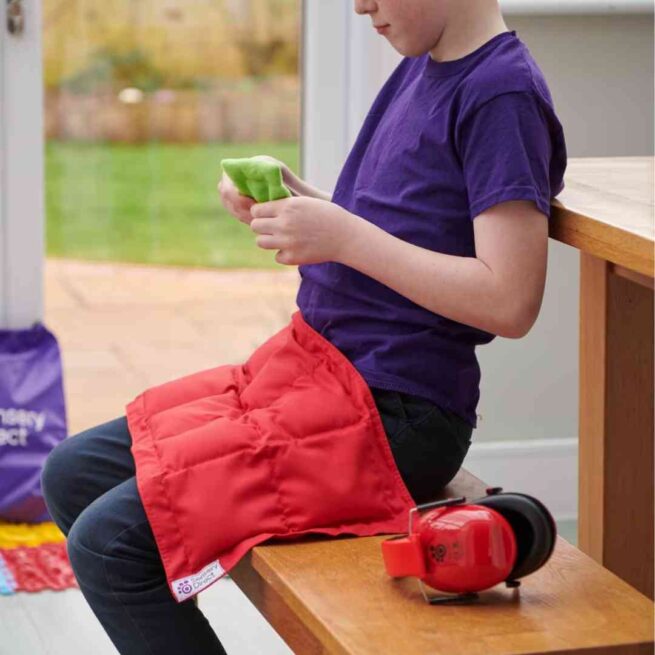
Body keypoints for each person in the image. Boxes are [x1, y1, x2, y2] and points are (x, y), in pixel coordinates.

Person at [41, 1, 567, 653]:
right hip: (311, 370)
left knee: (108, 546)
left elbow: (510, 299)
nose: (359, 5)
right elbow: (396, 233)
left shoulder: (500, 95)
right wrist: (303, 203)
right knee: (70, 471)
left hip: (393, 413)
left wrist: (342, 236)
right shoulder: (423, 62)